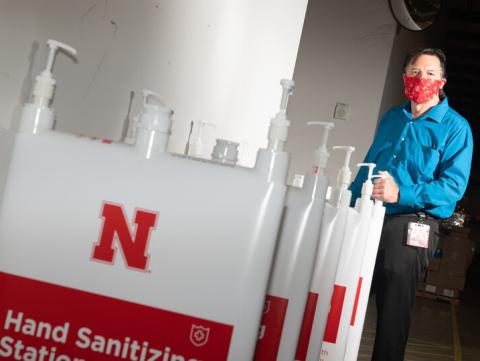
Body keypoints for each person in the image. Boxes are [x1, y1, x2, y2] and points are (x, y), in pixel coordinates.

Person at [350, 47, 474, 361]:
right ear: (405, 77)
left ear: (442, 81)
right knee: (347, 301)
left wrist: (401, 193)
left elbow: (451, 189)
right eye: (415, 72)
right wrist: (348, 207)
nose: (422, 79)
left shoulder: (456, 128)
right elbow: (369, 165)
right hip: (368, 217)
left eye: (430, 73)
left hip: (412, 223)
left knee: (392, 315)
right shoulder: (393, 118)